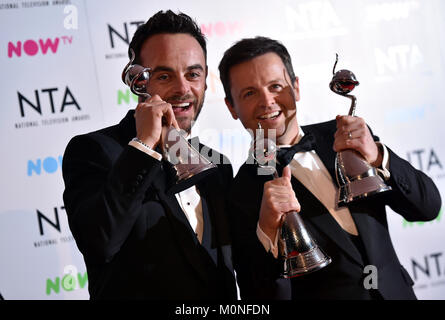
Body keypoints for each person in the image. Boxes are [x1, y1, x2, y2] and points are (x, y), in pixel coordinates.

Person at [218, 36, 441, 300]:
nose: (267, 101)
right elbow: (261, 297)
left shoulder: (346, 133)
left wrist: (379, 156)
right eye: (249, 93)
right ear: (231, 106)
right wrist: (268, 233)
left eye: (276, 86)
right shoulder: (240, 191)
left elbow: (428, 207)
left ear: (296, 87)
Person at [62, 10, 237, 300]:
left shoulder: (217, 164)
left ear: (206, 80)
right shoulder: (94, 150)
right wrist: (144, 145)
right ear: (138, 81)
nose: (183, 89)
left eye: (193, 74)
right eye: (164, 75)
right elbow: (100, 243)